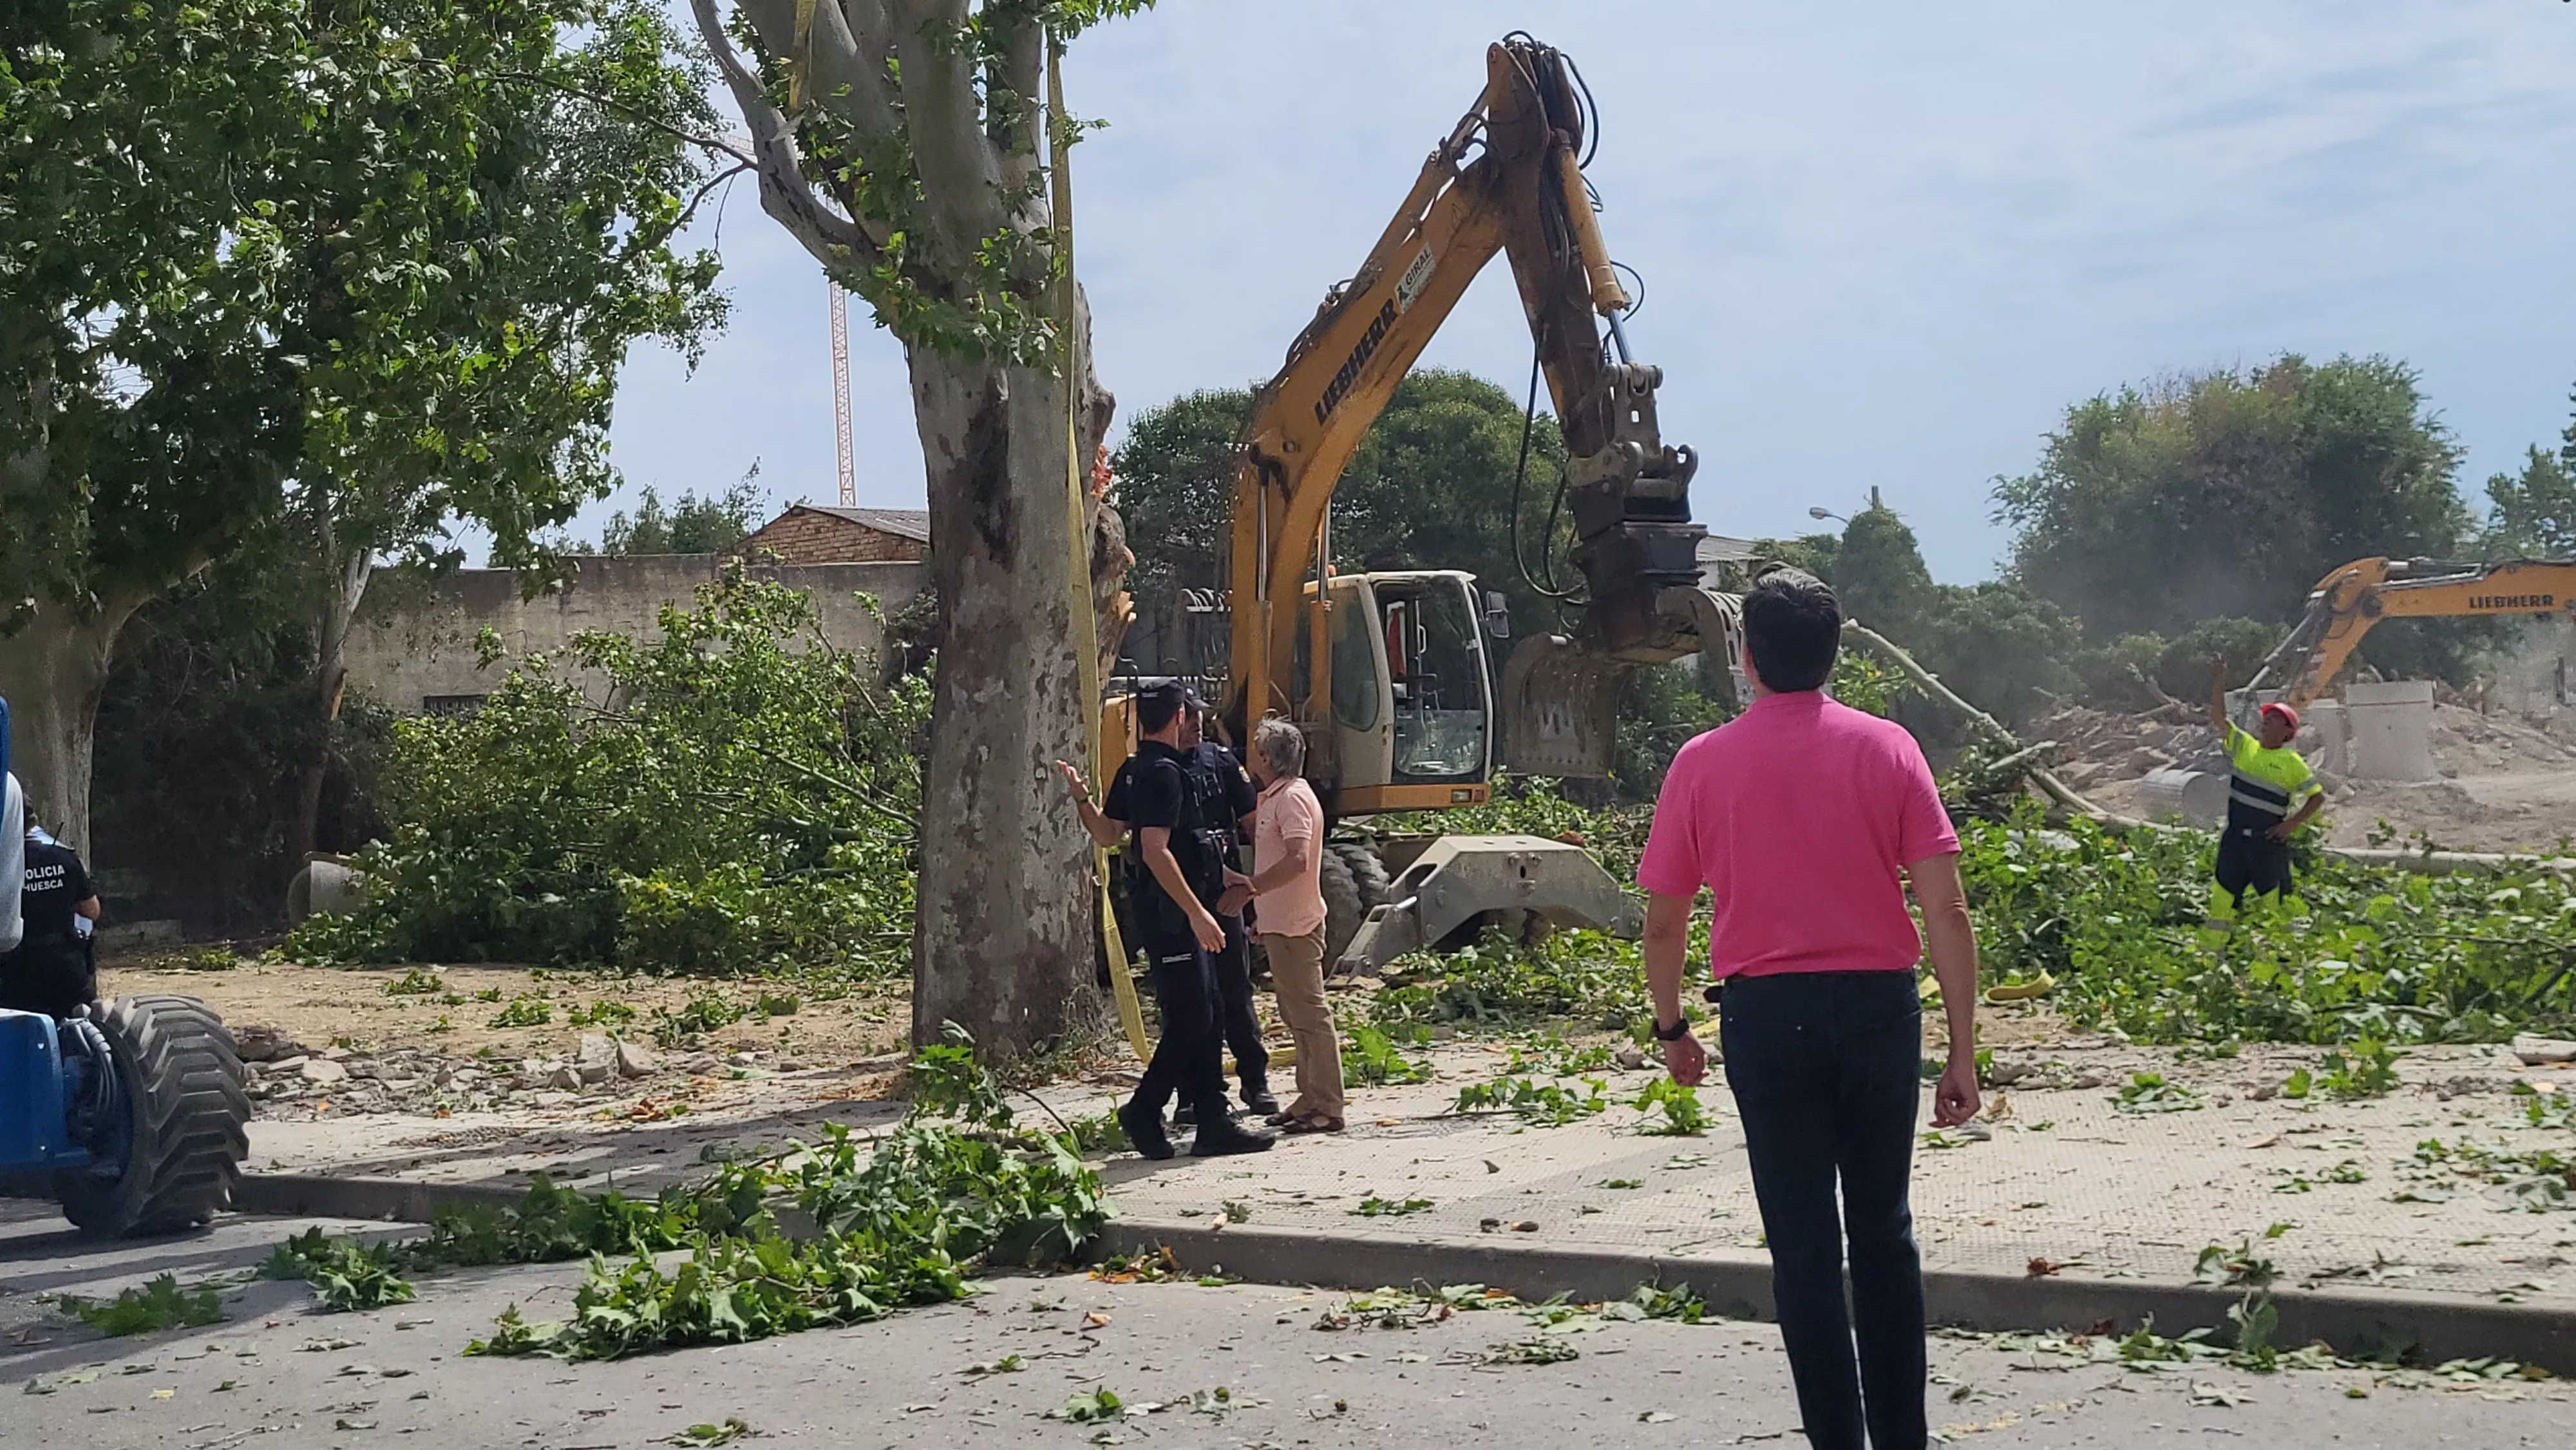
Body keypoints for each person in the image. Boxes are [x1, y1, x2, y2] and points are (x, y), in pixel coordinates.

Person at [1638, 569, 1980, 1450]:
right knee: (1885, 1235)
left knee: (1803, 1251)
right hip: (1878, 1012)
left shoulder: (1701, 764)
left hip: (1767, 1019)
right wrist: (1963, 1053)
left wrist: (1672, 1028)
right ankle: (1902, 1437)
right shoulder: (1890, 749)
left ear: (1746, 658)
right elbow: (1946, 909)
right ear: (1834, 654)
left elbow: (1667, 919)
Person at [1054, 681, 1273, 1160]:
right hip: (1173, 917)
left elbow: (1109, 833)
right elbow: (1154, 852)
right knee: (1194, 1016)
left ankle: (1212, 1118)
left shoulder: (1135, 770)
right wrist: (1198, 914)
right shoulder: (1166, 774)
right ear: (1178, 718)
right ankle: (1146, 1108)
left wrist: (1081, 799)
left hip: (1172, 912)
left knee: (1206, 1011)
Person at [1235, 716, 1341, 1133]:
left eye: (1256, 748)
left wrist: (1252, 888)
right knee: (1296, 1013)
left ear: (1266, 756)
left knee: (1311, 1013)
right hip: (1282, 923)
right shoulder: (1278, 796)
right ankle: (1310, 1096)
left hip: (1298, 926)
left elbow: (1297, 859)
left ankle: (1328, 1104)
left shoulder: (1292, 798)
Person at [1177, 704, 1277, 1123]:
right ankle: (1192, 1095)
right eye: (1188, 726)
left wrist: (1257, 892)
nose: (1195, 733)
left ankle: (1256, 1082)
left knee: (1236, 993)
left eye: (1200, 725)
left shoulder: (1219, 763)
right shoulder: (1157, 769)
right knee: (1186, 1004)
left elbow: (1254, 822)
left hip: (1224, 896)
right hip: (1180, 902)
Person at [2206, 660, 2323, 914]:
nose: (2266, 721)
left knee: (2276, 905)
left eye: (2274, 719)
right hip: (2235, 840)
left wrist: (2292, 824)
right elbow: (2218, 717)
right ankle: (2216, 948)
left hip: (2267, 844)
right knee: (2222, 901)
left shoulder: (2293, 763)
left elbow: (2317, 797)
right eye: (2266, 718)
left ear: (2287, 732)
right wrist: (2219, 681)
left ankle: (2278, 951)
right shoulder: (2244, 746)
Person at [0, 810, 104, 1019]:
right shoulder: (64, 856)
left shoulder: (4, 863)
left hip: (14, 974)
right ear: (33, 820)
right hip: (66, 970)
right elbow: (92, 911)